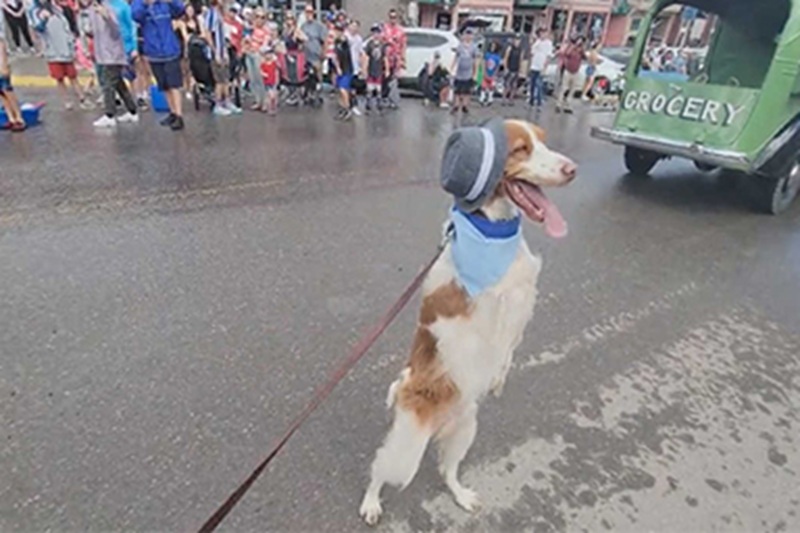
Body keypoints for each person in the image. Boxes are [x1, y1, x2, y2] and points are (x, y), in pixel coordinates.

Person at [131, 0, 186, 130]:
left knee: (174, 84)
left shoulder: (164, 3)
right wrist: (146, 4)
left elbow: (180, 10)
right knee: (164, 85)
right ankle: (172, 112)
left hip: (169, 49)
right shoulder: (139, 3)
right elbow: (136, 16)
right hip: (153, 51)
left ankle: (179, 115)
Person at [88, 0, 138, 127]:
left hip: (113, 53)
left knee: (108, 83)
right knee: (118, 83)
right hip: (102, 54)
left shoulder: (109, 9)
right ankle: (132, 111)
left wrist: (107, 17)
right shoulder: (92, 10)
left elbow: (116, 32)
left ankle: (109, 114)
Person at [31, 0, 89, 110]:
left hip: (65, 49)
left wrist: (71, 44)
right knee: (59, 78)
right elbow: (38, 28)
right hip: (52, 51)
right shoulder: (36, 11)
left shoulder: (57, 8)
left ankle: (82, 98)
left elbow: (66, 26)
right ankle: (66, 101)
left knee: (73, 76)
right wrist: (43, 20)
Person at [201, 0, 235, 115]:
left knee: (226, 78)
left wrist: (224, 51)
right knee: (219, 80)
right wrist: (215, 52)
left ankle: (227, 101)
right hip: (216, 52)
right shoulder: (211, 13)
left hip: (222, 51)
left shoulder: (220, 14)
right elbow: (208, 33)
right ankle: (218, 104)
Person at [0, 16, 26, 131]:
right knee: (1, 94)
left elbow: (1, 47)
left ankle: (19, 117)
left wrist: (3, 64)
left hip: (1, 66)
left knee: (8, 91)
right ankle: (11, 118)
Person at [241, 6, 269, 111]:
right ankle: (258, 100)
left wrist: (258, 48)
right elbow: (244, 40)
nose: (260, 19)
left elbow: (265, 44)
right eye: (257, 17)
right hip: (249, 54)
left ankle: (265, 101)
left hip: (259, 55)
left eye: (262, 17)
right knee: (253, 79)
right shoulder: (250, 29)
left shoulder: (266, 30)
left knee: (261, 79)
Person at [175, 3, 200, 98]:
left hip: (196, 47)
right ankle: (187, 88)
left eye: (191, 10)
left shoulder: (197, 21)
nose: (190, 12)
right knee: (185, 69)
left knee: (195, 69)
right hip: (184, 47)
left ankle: (195, 87)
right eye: (188, 10)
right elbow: (185, 37)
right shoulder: (182, 23)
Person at [381, 7, 404, 109]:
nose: (392, 19)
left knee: (394, 80)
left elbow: (403, 45)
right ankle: (384, 98)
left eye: (394, 17)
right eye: (391, 17)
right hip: (386, 58)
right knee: (384, 79)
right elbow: (380, 41)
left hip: (396, 58)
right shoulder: (384, 29)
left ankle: (392, 99)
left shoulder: (401, 31)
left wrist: (403, 59)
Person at [361, 22, 386, 114]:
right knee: (370, 87)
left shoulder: (383, 45)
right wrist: (364, 69)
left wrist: (386, 69)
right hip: (371, 69)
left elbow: (385, 57)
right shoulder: (369, 44)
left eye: (378, 32)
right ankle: (368, 102)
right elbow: (366, 57)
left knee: (378, 87)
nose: (376, 35)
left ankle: (379, 102)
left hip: (379, 69)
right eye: (374, 32)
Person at [450, 28, 476, 115]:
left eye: (470, 35)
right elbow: (456, 57)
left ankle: (465, 106)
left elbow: (475, 60)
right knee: (457, 91)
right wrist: (452, 67)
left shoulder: (473, 47)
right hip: (459, 72)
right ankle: (456, 106)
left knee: (466, 91)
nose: (468, 37)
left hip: (468, 72)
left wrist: (475, 72)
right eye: (466, 35)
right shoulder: (460, 46)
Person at [556, 35, 584, 114]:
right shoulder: (570, 48)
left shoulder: (581, 50)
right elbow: (566, 53)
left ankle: (567, 106)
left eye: (582, 41)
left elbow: (585, 57)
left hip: (575, 72)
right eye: (579, 40)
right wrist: (574, 47)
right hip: (568, 71)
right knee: (564, 88)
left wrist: (581, 50)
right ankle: (559, 104)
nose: (580, 42)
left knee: (572, 90)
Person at [332, 20, 353, 120]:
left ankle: (348, 108)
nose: (337, 32)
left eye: (339, 30)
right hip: (340, 69)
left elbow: (346, 41)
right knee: (339, 90)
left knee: (343, 89)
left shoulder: (344, 41)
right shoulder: (336, 42)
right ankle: (342, 108)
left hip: (347, 69)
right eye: (336, 30)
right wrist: (337, 68)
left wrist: (344, 36)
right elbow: (335, 56)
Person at [528, 27, 552, 108]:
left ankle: (539, 102)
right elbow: (532, 53)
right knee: (532, 84)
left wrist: (544, 67)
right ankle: (531, 100)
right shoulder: (537, 42)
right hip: (534, 66)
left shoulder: (548, 43)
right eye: (541, 33)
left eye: (544, 33)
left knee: (539, 85)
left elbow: (548, 56)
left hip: (541, 67)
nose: (543, 34)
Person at [300, 3, 325, 76]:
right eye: (307, 12)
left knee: (318, 74)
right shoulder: (303, 26)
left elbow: (324, 41)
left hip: (316, 56)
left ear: (313, 12)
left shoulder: (319, 26)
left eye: (310, 11)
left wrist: (323, 53)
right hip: (306, 56)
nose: (309, 14)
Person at [346, 18, 362, 115]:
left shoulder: (359, 39)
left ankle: (354, 105)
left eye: (356, 26)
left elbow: (360, 53)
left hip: (355, 66)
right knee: (345, 87)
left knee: (353, 87)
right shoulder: (345, 36)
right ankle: (346, 105)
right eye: (352, 26)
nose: (354, 28)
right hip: (345, 65)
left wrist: (361, 67)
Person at [501, 33, 522, 106]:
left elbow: (520, 60)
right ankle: (503, 99)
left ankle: (511, 100)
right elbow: (506, 58)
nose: (517, 42)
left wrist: (520, 70)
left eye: (518, 40)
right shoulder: (510, 48)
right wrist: (506, 68)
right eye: (516, 40)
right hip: (509, 68)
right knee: (507, 85)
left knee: (514, 86)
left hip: (516, 69)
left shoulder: (520, 50)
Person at [479, 40, 501, 107]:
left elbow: (497, 66)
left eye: (494, 47)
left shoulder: (497, 57)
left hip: (492, 74)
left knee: (491, 86)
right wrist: (484, 72)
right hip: (486, 72)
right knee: (484, 86)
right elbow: (484, 63)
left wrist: (494, 74)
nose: (492, 48)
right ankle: (482, 98)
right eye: (491, 46)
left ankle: (490, 98)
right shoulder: (487, 55)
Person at [258, 43, 278, 115]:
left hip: (273, 81)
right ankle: (269, 108)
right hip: (267, 82)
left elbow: (276, 71)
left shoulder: (274, 63)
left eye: (270, 54)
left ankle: (273, 108)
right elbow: (261, 71)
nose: (269, 56)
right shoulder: (263, 64)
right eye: (267, 54)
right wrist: (264, 74)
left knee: (274, 96)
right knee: (270, 95)